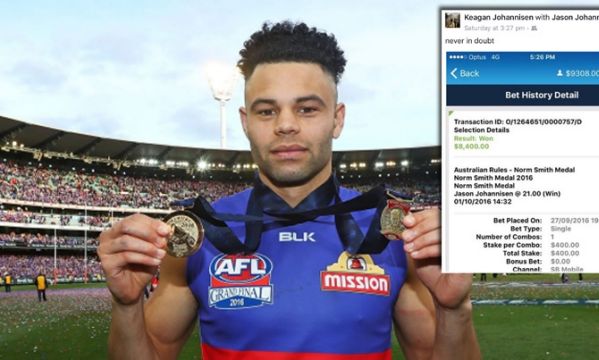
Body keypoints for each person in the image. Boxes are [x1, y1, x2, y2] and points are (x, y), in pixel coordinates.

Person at [98, 21, 481, 359]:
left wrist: (454, 309)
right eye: (267, 111)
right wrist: (126, 304)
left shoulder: (394, 234)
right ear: (246, 122)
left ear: (337, 118)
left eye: (307, 109)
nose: (285, 125)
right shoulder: (199, 235)